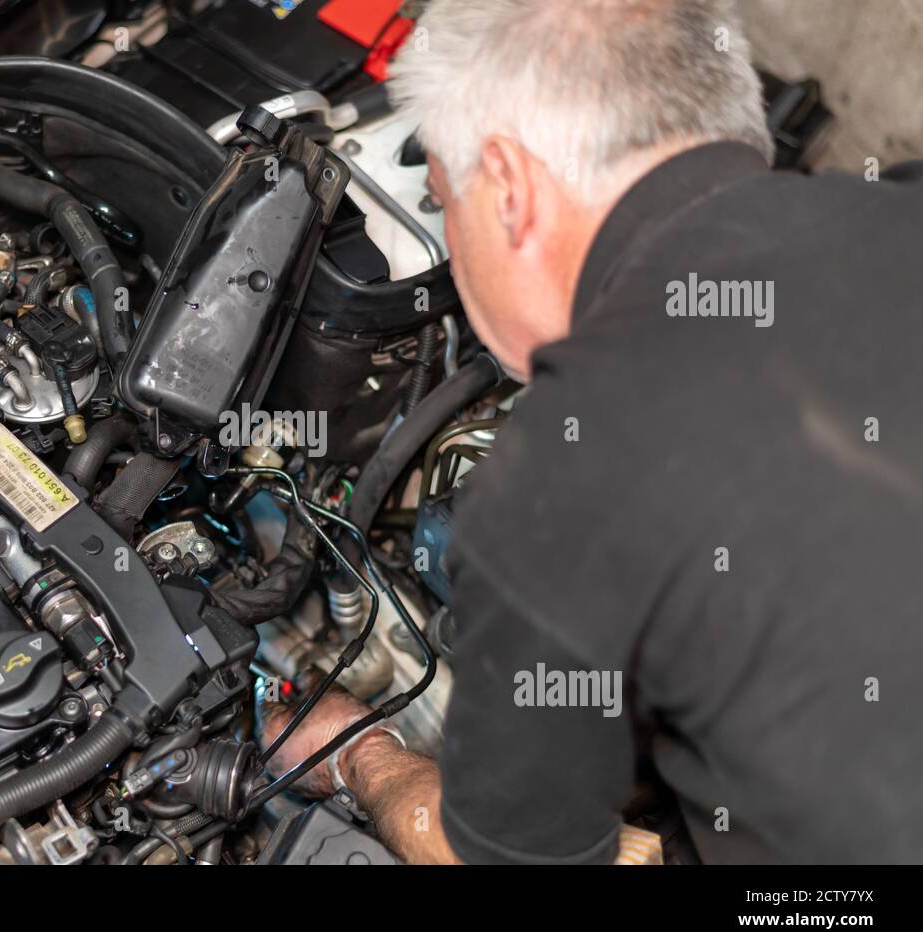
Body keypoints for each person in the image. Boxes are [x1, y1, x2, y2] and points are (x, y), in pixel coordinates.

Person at [261, 0, 923, 864]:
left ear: (508, 187)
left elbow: (504, 857)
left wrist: (357, 756)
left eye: (442, 202)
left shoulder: (559, 493)